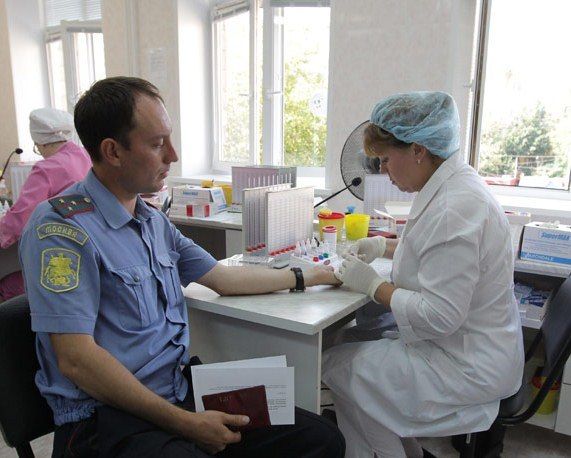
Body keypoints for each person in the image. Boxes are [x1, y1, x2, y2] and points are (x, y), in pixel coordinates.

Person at [18, 76, 344, 458]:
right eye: (158, 144)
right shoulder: (61, 230)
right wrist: (186, 423)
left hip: (175, 392)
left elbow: (222, 277)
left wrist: (307, 275)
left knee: (322, 439)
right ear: (113, 151)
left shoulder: (151, 220)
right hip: (105, 419)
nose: (172, 155)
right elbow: (76, 360)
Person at [324, 91, 524, 458]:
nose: (383, 171)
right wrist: (382, 246)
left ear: (418, 150)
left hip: (468, 363)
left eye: (386, 160)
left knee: (338, 367)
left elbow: (439, 315)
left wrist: (373, 285)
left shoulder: (455, 206)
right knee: (349, 349)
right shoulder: (451, 183)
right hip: (468, 346)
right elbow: (434, 252)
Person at [0, 108, 91, 302]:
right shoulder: (87, 156)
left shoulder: (47, 168)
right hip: (89, 257)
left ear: (41, 142)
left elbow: (20, 219)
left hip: (61, 260)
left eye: (37, 147)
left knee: (6, 286)